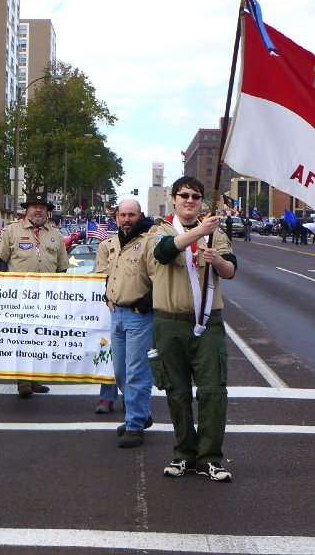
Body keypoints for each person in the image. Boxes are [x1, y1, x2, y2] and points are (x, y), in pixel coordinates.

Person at [150, 176, 236, 482]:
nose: (190, 200)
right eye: (184, 195)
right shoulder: (159, 229)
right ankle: (184, 454)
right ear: (173, 199)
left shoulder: (216, 234)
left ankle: (210, 457)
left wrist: (216, 260)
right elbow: (163, 253)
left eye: (196, 196)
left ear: (202, 201)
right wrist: (199, 231)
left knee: (213, 390)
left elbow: (230, 270)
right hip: (170, 322)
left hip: (208, 322)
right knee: (177, 392)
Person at [0, 191, 69, 397]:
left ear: (47, 211)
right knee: (22, 338)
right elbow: (0, 261)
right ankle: (23, 381)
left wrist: (60, 294)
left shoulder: (55, 235)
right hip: (19, 296)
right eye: (34, 206)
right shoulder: (11, 231)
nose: (38, 210)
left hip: (46, 296)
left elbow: (62, 267)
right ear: (26, 209)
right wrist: (2, 290)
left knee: (40, 338)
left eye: (42, 207)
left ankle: (35, 378)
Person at [95, 198, 156, 448]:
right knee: (119, 372)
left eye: (132, 214)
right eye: (123, 214)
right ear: (117, 217)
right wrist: (107, 294)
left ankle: (135, 426)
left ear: (140, 215)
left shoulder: (148, 241)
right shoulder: (112, 242)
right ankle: (140, 412)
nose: (127, 219)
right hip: (116, 314)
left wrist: (145, 304)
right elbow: (107, 274)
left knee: (135, 372)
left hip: (138, 317)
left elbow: (159, 277)